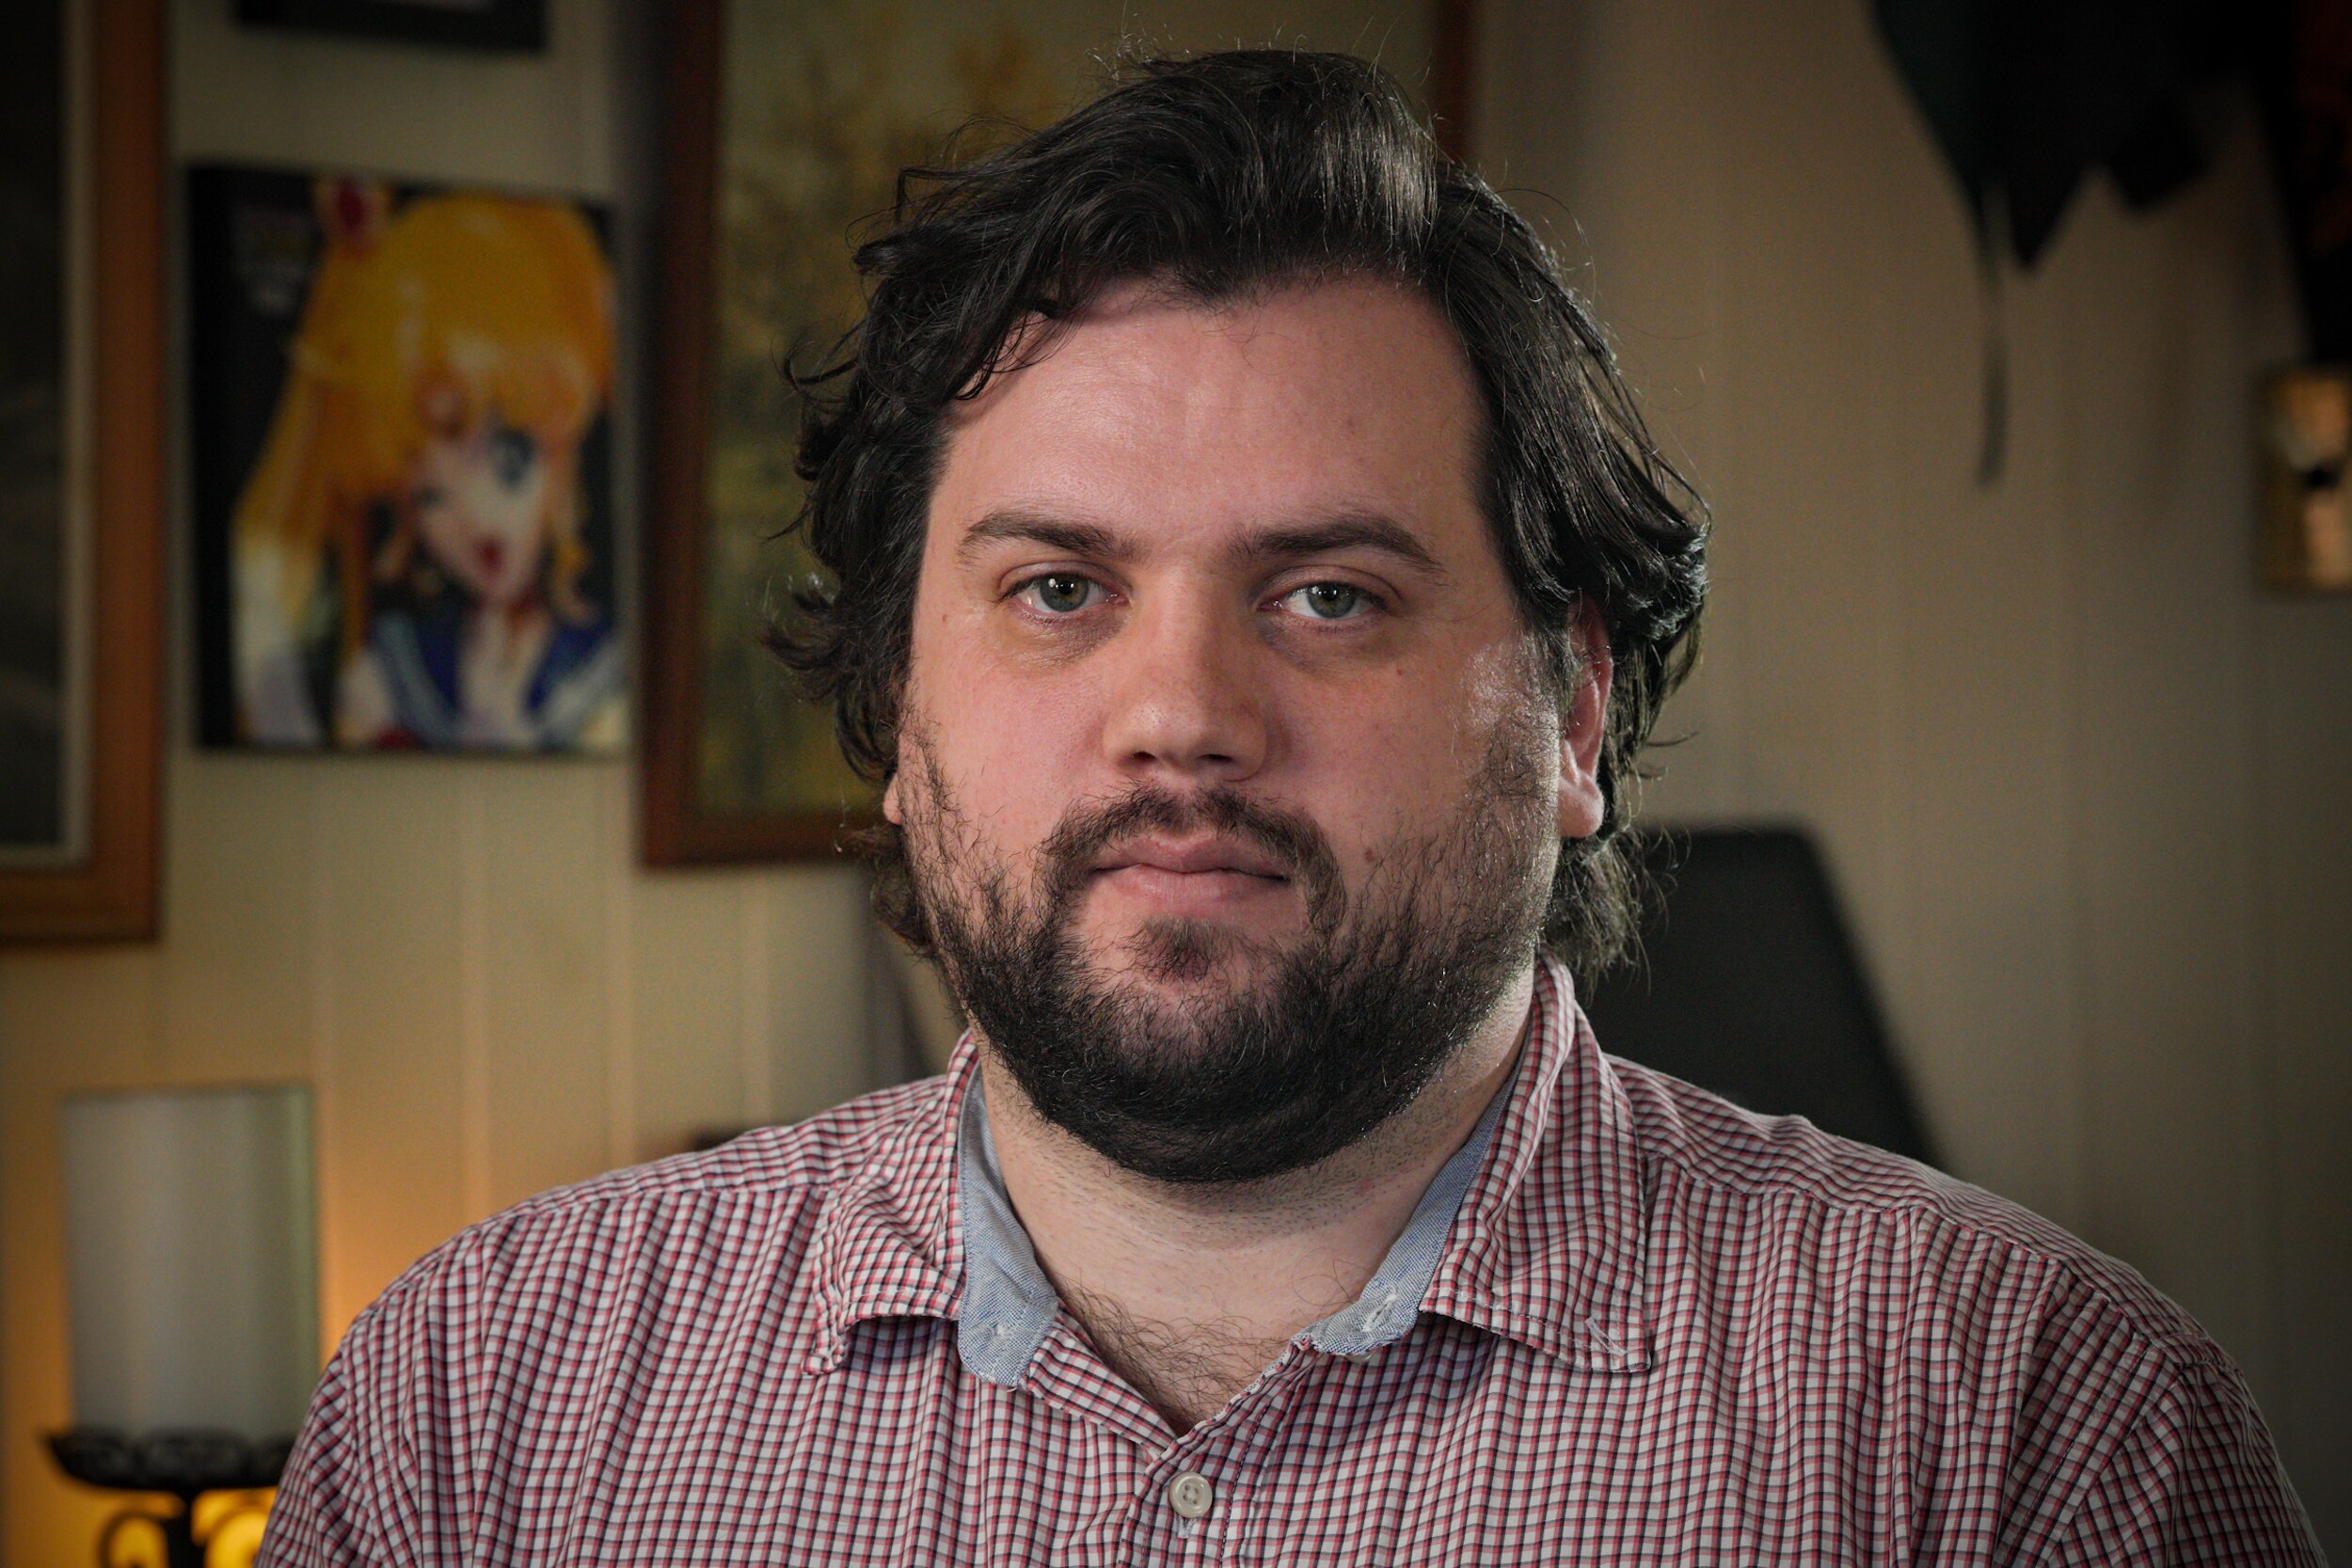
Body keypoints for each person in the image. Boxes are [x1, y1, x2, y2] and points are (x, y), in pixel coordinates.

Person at [257, 51, 2323, 1564]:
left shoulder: (2027, 1436)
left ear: (1574, 703)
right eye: (1057, 589)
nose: (1180, 714)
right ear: (894, 703)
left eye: (1325, 593)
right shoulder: (487, 1403)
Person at [231, 179, 622, 752]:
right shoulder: (393, 670)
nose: (478, 517)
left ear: (559, 449)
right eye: (432, 496)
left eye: (509, 462)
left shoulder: (603, 668)